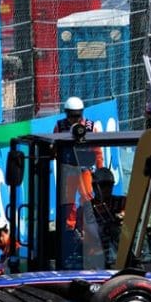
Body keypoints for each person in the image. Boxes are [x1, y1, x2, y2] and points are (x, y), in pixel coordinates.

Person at [55, 96, 104, 230]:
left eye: (77, 116)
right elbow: (54, 148)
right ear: (67, 114)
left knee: (87, 197)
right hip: (68, 169)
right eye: (71, 116)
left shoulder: (90, 127)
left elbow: (97, 150)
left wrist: (100, 171)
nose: (74, 119)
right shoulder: (60, 126)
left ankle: (85, 227)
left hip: (85, 169)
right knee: (68, 200)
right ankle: (69, 227)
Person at [89, 168, 125, 268]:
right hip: (96, 257)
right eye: (103, 185)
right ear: (95, 186)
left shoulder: (122, 202)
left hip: (121, 254)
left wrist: (119, 220)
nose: (107, 188)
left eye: (109, 185)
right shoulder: (87, 208)